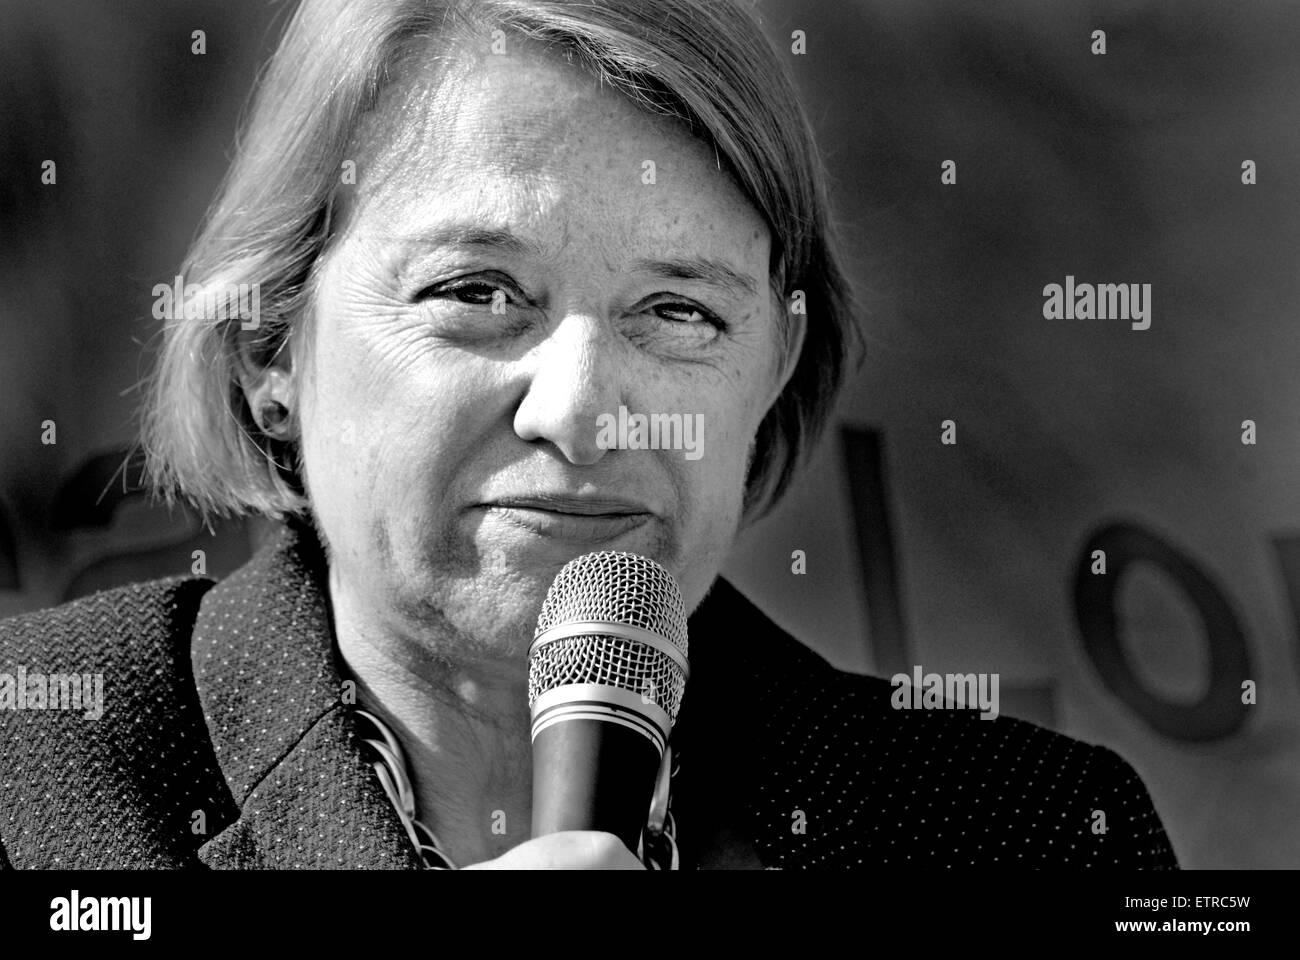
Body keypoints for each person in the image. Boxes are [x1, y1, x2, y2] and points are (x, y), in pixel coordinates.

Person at [0, 0, 1177, 870]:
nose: (578, 412)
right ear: (270, 352)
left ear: (771, 365)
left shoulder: (1027, 835)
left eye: (677, 311)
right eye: (475, 293)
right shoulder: (33, 766)